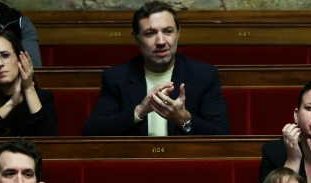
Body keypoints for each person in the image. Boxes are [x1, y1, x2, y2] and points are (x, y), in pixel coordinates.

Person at [82, 1, 230, 137]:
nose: (160, 41)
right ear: (136, 38)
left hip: (185, 161)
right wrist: (139, 111)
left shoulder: (204, 75)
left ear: (178, 33)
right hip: (136, 161)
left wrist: (184, 119)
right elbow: (91, 133)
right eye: (150, 33)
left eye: (168, 31)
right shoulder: (116, 77)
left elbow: (222, 136)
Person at [0, 29, 57, 137]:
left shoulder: (43, 98)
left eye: (5, 55)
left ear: (20, 59)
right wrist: (12, 103)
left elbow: (49, 141)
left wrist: (28, 89)